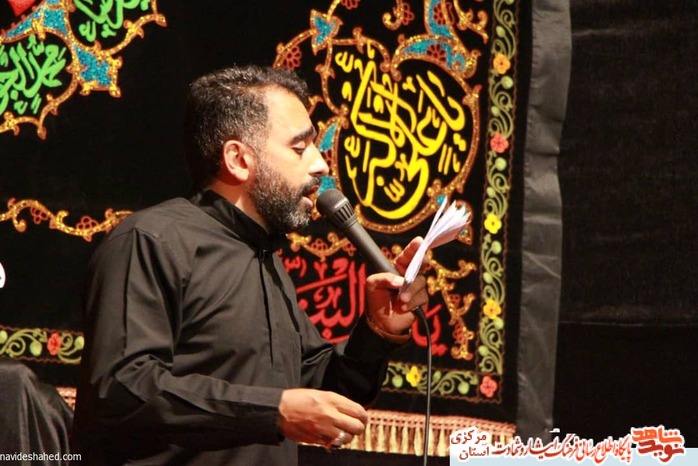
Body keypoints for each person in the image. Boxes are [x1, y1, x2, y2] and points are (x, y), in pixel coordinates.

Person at [71, 65, 428, 465]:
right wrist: (273, 412)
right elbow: (122, 389)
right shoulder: (153, 240)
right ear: (238, 159)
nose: (321, 165)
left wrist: (377, 331)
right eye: (300, 148)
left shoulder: (264, 258)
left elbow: (322, 393)